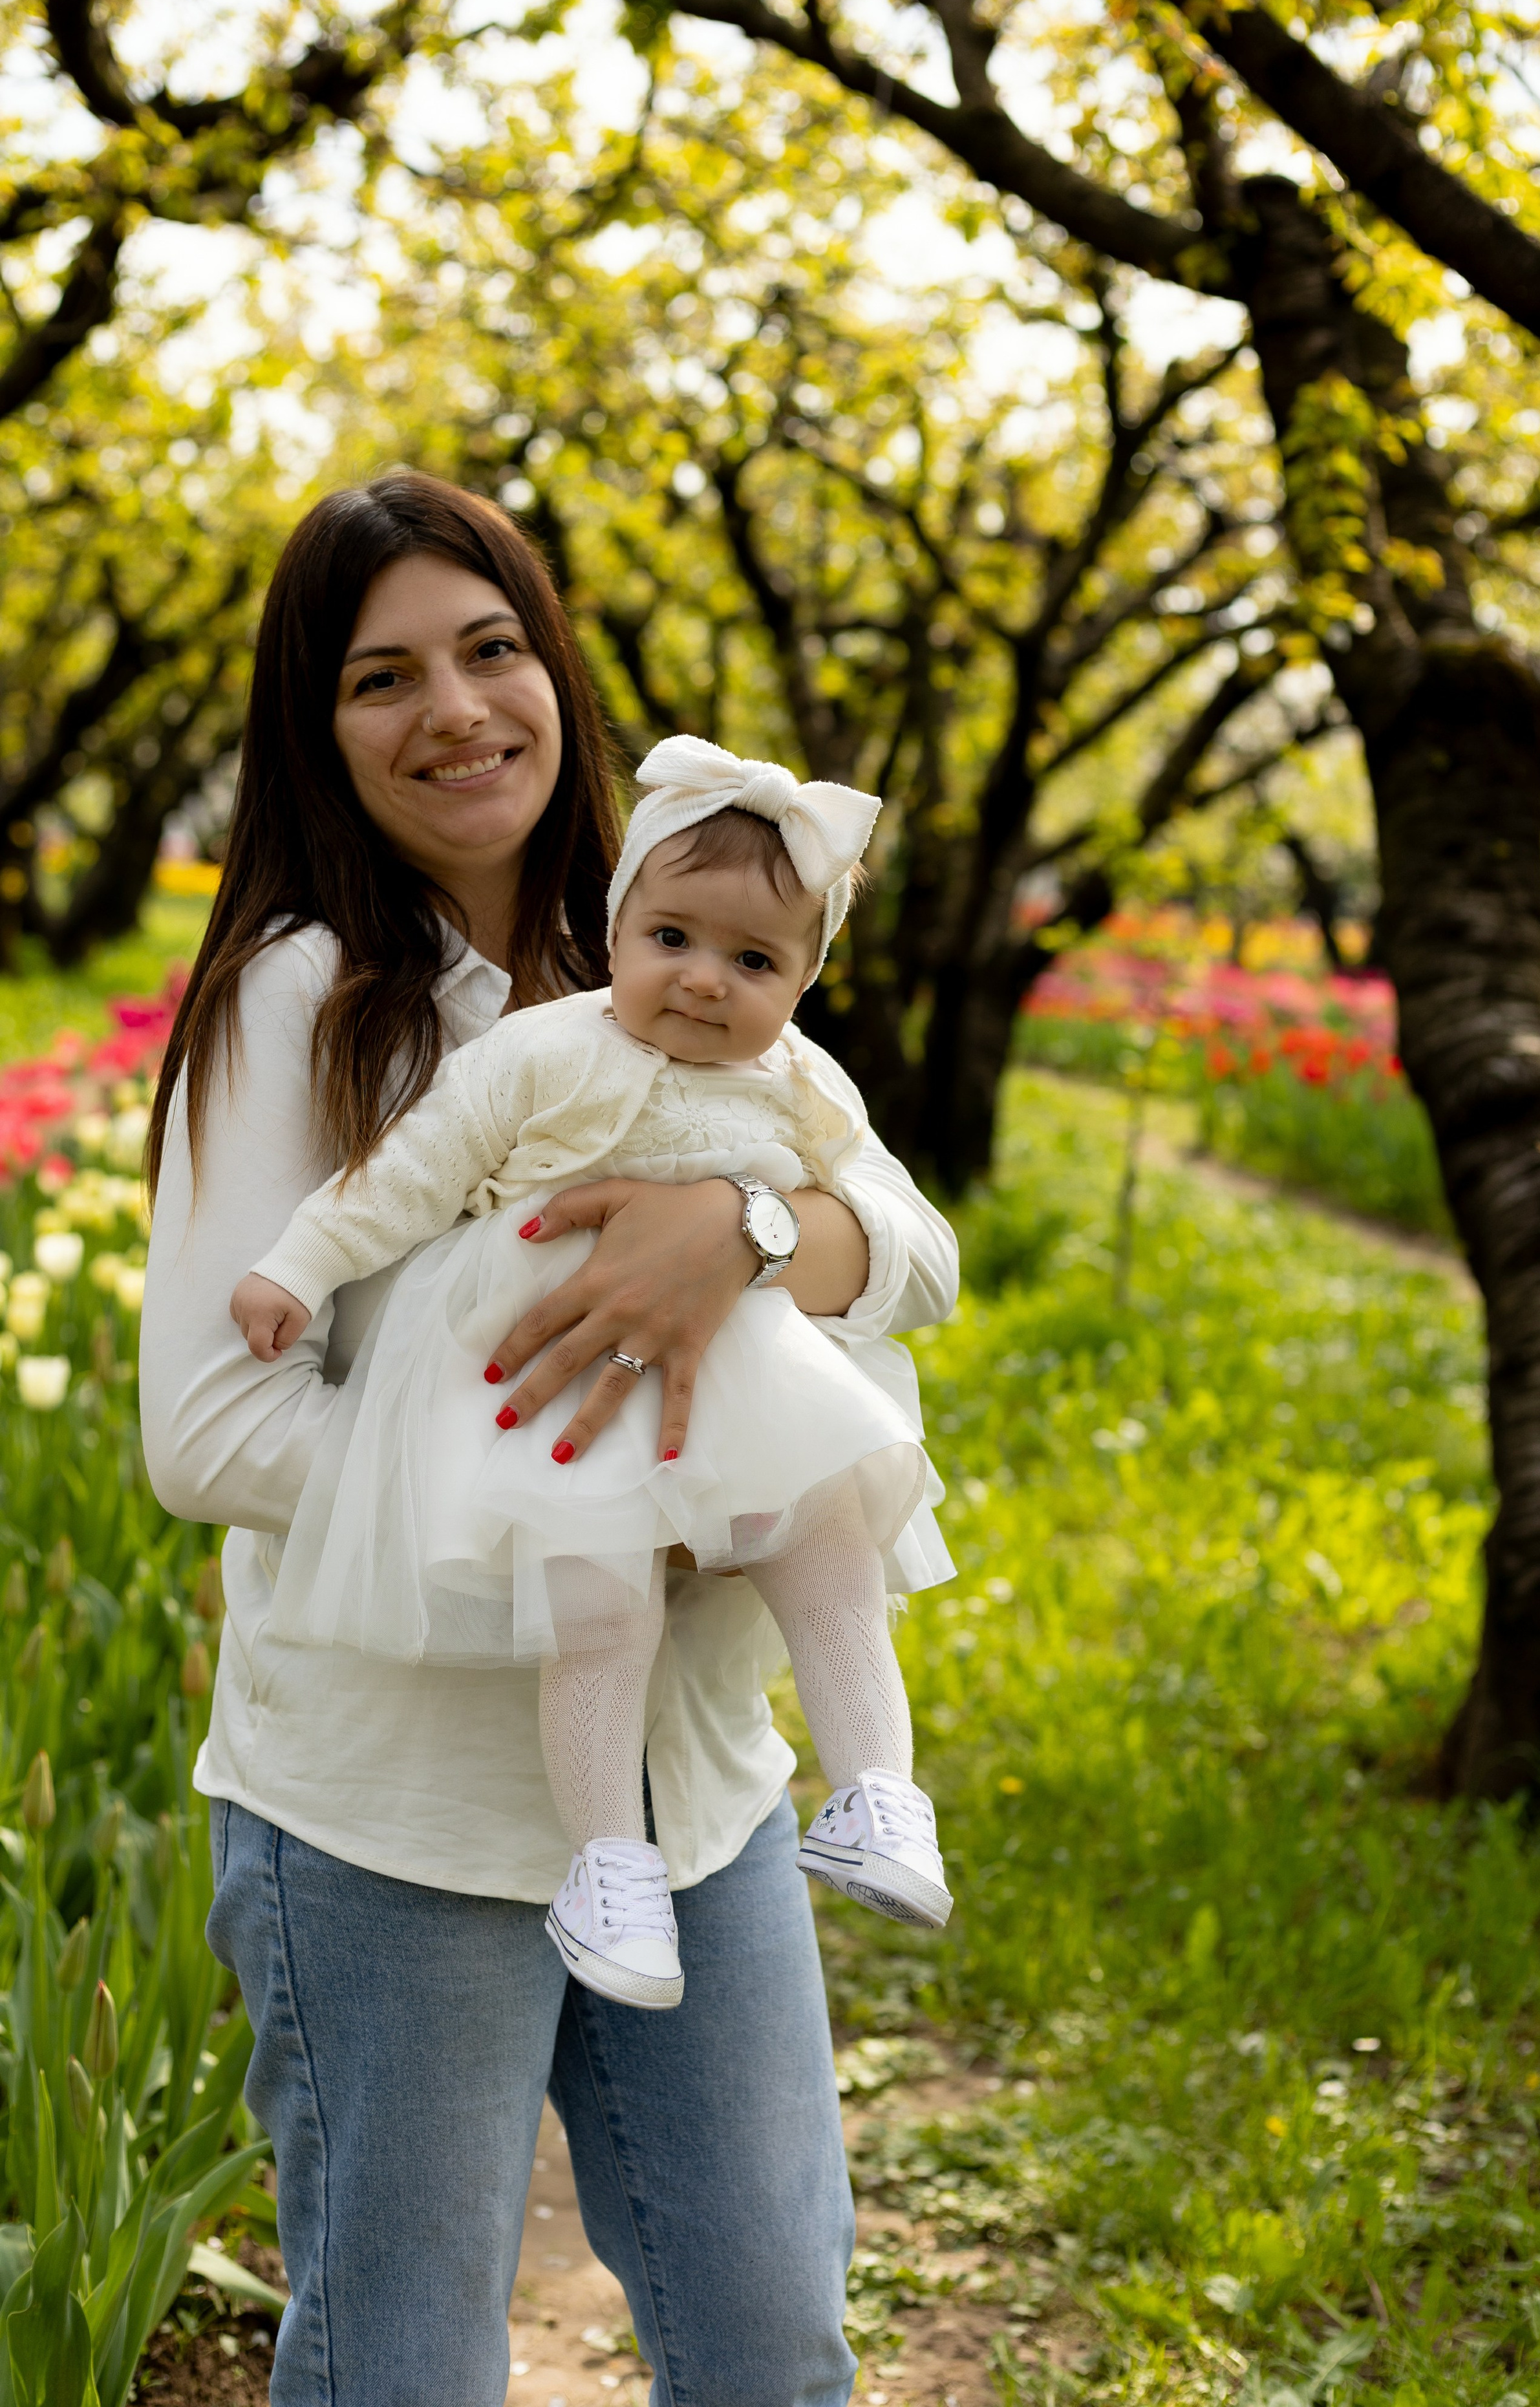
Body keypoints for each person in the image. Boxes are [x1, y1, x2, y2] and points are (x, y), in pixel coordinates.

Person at [139, 470, 959, 2407]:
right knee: (405, 2368)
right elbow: (207, 1426)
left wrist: (748, 1233)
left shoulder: (691, 952)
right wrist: (597, 1515)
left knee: (774, 2344)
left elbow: (910, 1246)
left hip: (698, 1790)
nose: (455, 710)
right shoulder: (297, 1003)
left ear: (558, 672)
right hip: (388, 1811)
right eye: (381, 677)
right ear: (314, 731)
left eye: (492, 647)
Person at [229, 736, 956, 2013]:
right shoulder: (544, 1050)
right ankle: (607, 1866)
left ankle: (873, 1795)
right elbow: (411, 1173)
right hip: (557, 1387)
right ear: (618, 933)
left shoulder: (800, 1081)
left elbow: (907, 1235)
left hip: (745, 1383)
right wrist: (296, 1265)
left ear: (802, 982)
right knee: (601, 1620)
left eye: (753, 962)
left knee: (830, 1545)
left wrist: (764, 1222)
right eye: (670, 938)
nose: (701, 983)